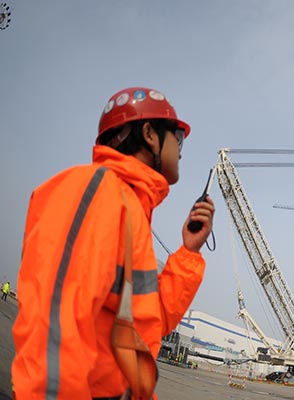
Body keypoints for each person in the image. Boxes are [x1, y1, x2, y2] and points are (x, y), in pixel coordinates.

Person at [11, 87, 215, 399]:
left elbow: (148, 322)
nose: (181, 148)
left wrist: (188, 252)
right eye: (178, 136)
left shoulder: (130, 207)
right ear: (149, 134)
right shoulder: (94, 190)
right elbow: (53, 332)